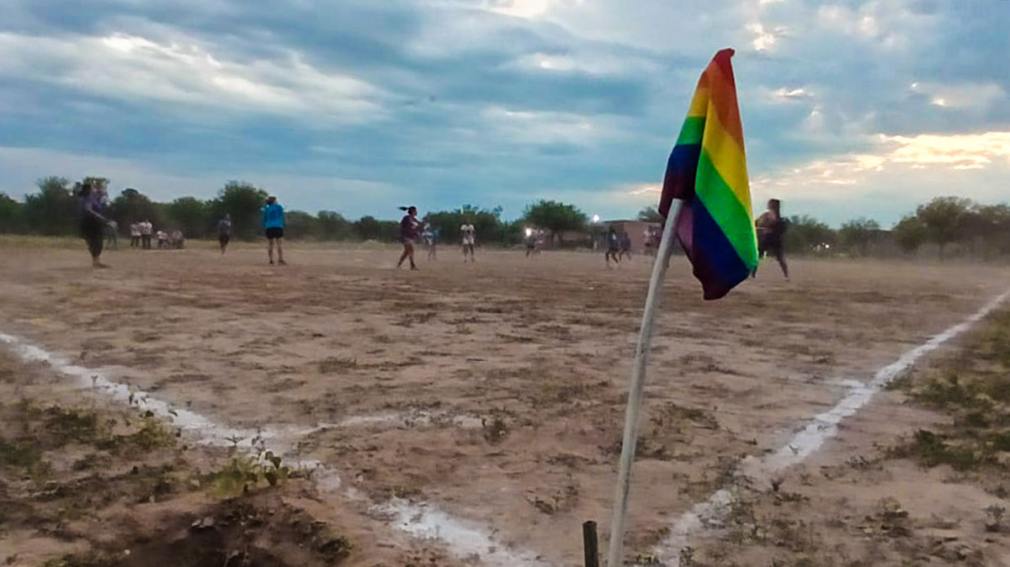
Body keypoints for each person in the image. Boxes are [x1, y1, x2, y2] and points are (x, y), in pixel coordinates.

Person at [77, 181, 112, 268]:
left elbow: (101, 194)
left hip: (86, 221)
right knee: (97, 242)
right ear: (89, 190)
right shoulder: (89, 198)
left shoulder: (87, 198)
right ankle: (96, 262)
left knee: (92, 242)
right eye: (93, 188)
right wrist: (100, 217)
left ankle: (96, 262)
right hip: (92, 222)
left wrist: (102, 192)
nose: (94, 189)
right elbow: (88, 209)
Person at [756, 198, 789, 280]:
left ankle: (786, 275)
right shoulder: (769, 215)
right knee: (759, 256)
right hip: (771, 238)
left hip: (773, 239)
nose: (768, 205)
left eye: (770, 204)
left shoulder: (770, 215)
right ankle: (786, 276)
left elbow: (764, 224)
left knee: (779, 258)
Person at [262, 195, 286, 265]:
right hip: (278, 226)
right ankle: (280, 259)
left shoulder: (267, 209)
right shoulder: (279, 207)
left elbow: (264, 219)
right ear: (274, 201)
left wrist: (265, 226)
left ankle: (271, 260)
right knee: (279, 244)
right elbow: (282, 215)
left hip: (269, 227)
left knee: (270, 244)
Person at [397, 206, 421, 270]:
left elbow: (417, 228)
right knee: (411, 250)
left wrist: (417, 233)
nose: (416, 212)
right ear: (413, 211)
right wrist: (402, 235)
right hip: (405, 237)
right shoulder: (406, 218)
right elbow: (402, 226)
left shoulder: (414, 220)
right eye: (415, 211)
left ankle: (399, 265)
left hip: (410, 237)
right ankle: (412, 266)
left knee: (406, 252)